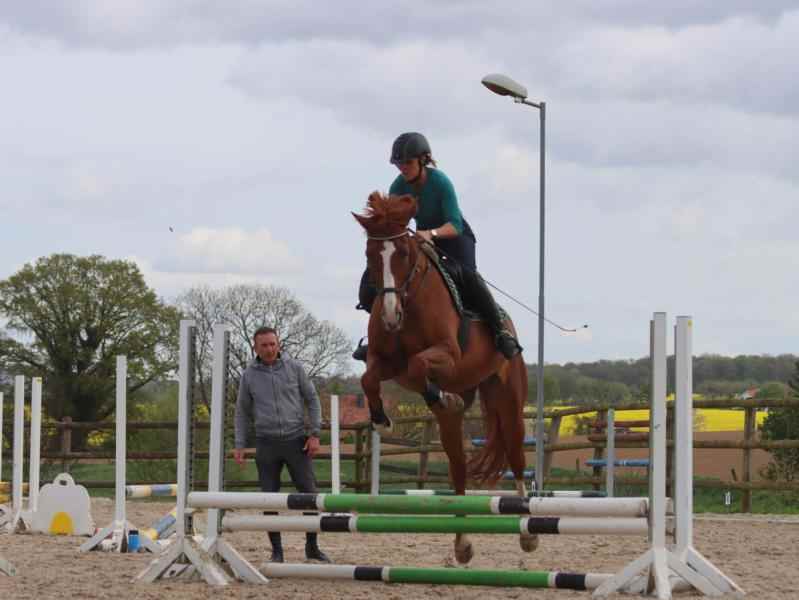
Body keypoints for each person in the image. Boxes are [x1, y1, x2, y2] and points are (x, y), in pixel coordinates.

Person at [353, 131, 522, 361]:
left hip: (455, 237)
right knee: (379, 278)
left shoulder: (441, 182)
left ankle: (500, 331)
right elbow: (394, 224)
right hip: (422, 236)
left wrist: (431, 233)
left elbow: (455, 225)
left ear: (423, 160)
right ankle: (378, 340)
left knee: (467, 277)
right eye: (398, 164)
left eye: (408, 163)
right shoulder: (398, 186)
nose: (403, 168)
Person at [234, 326, 330, 564]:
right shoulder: (248, 376)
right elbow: (242, 411)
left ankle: (312, 547)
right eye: (264, 345)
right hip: (266, 443)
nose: (269, 349)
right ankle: (277, 551)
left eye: (272, 344)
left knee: (309, 495)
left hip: (297, 441)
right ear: (255, 348)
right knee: (269, 499)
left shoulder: (295, 368)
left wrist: (315, 433)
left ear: (278, 344)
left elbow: (312, 399)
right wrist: (239, 444)